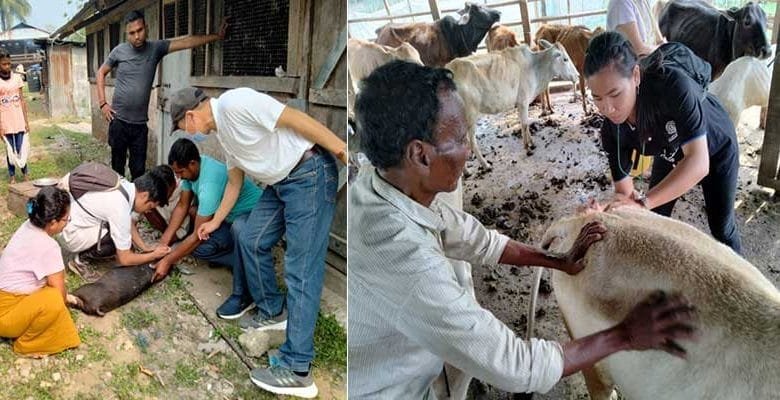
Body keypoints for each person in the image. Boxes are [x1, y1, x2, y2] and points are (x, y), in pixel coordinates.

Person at [348, 60, 697, 398]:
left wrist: (555, 260)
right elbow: (514, 366)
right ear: (420, 156)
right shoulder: (404, 258)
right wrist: (624, 335)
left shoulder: (383, 183)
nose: (470, 151)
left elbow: (471, 237)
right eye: (460, 138)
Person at [168, 86, 347, 398]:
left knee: (300, 269)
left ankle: (297, 369)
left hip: (309, 173)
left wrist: (343, 151)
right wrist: (215, 221)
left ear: (191, 116)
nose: (187, 133)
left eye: (183, 127)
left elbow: (296, 119)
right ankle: (274, 310)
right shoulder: (224, 135)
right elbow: (234, 185)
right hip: (280, 184)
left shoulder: (237, 103)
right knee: (250, 238)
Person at [584, 31, 742, 253]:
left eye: (615, 93)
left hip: (715, 148)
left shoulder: (673, 86)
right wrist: (605, 211)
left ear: (636, 76)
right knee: (654, 219)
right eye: (597, 98)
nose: (607, 108)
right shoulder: (613, 130)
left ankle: (742, 282)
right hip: (668, 150)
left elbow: (699, 162)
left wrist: (643, 202)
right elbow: (626, 195)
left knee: (721, 227)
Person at [97, 10, 227, 180]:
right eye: (132, 33)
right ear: (126, 34)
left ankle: (138, 204)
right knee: (117, 169)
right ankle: (117, 203)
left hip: (139, 126)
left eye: (140, 30)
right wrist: (103, 103)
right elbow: (101, 72)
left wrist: (216, 36)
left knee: (138, 171)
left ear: (146, 28)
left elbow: (186, 42)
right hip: (118, 121)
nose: (137, 36)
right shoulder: (119, 51)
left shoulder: (155, 48)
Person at [152, 138, 263, 321]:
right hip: (227, 218)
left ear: (192, 164)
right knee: (200, 248)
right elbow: (182, 206)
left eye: (181, 172)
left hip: (252, 217)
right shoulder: (193, 169)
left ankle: (244, 264)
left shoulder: (208, 185)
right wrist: (164, 243)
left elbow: (197, 235)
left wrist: (168, 260)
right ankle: (236, 256)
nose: (179, 177)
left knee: (199, 244)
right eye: (176, 173)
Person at [0, 187, 80, 356]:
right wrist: (65, 300)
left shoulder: (27, 226)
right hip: (5, 316)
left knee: (49, 292)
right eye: (66, 219)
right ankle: (27, 344)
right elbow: (58, 293)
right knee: (53, 300)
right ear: (52, 223)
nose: (67, 223)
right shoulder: (48, 247)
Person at [61, 169, 172, 274]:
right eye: (151, 206)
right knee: (115, 243)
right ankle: (80, 260)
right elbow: (125, 259)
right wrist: (153, 256)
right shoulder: (120, 206)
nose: (148, 211)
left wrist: (145, 248)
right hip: (70, 234)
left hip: (67, 218)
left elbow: (127, 222)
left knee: (122, 235)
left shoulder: (124, 185)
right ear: (144, 195)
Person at [131, 164, 194, 250]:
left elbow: (182, 214)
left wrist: (165, 241)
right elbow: (132, 219)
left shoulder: (183, 189)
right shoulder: (152, 188)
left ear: (173, 186)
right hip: (163, 223)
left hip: (179, 228)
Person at [0, 49, 30, 184]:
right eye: (4, 64)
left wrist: (26, 121)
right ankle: (12, 176)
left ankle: (25, 174)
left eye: (8, 63)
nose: (7, 66)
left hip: (18, 120)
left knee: (21, 148)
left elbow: (22, 100)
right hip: (5, 121)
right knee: (10, 150)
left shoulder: (17, 78)